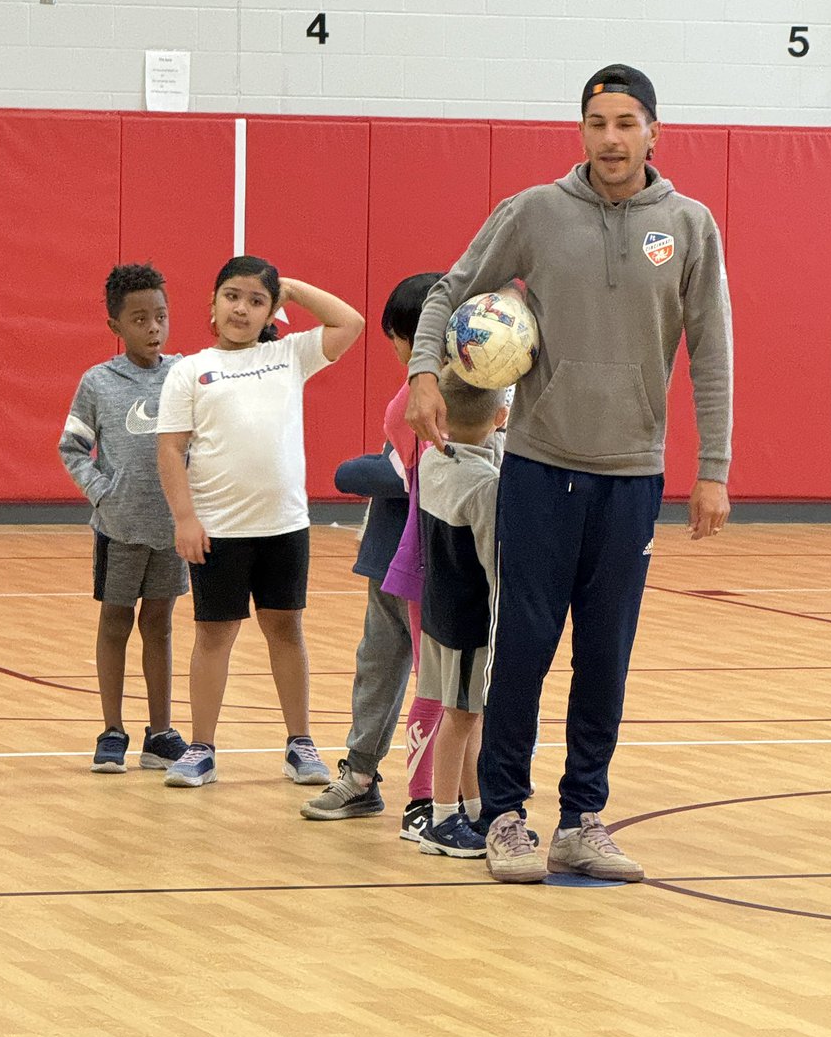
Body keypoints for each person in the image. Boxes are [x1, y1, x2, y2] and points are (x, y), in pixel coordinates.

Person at [406, 64, 733, 883]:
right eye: (598, 124)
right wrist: (421, 373)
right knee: (523, 645)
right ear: (580, 132)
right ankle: (505, 815)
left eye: (627, 123)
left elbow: (713, 351)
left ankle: (583, 819)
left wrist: (714, 467)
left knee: (607, 654)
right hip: (541, 469)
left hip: (634, 477)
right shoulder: (535, 213)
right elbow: (448, 293)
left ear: (654, 131)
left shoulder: (689, 225)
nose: (612, 139)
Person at [156, 255, 364, 788]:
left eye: (256, 300)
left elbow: (351, 323)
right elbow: (170, 449)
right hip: (217, 530)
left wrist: (291, 286)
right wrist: (185, 518)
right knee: (213, 635)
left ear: (272, 310)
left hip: (284, 527)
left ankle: (300, 743)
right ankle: (200, 747)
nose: (241, 308)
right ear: (212, 302)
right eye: (232, 296)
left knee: (286, 630)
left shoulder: (289, 355)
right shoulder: (189, 370)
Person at [300, 273, 443, 832]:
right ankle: (361, 775)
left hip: (438, 558)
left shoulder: (444, 394)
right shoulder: (409, 398)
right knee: (379, 665)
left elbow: (391, 470)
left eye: (397, 340)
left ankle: (443, 795)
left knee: (440, 680)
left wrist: (362, 469)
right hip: (391, 553)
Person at [59, 263, 189, 774]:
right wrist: (102, 494)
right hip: (119, 528)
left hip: (171, 529)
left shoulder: (184, 376)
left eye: (161, 316)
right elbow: (72, 448)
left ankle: (161, 733)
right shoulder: (98, 382)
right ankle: (112, 729)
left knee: (158, 625)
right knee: (115, 622)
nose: (153, 328)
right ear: (116, 327)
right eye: (140, 319)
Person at [415, 369, 508, 859]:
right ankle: (442, 817)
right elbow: (496, 562)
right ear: (501, 417)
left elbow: (478, 448)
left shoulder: (433, 459)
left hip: (437, 612)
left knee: (469, 717)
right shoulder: (485, 487)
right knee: (461, 718)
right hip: (470, 620)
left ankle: (472, 809)